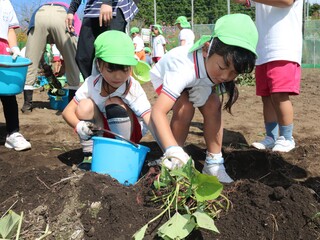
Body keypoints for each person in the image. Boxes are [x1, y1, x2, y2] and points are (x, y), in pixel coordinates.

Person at [149, 14, 258, 183]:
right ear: (207, 49)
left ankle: (214, 164)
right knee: (185, 106)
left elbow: (214, 77)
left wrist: (206, 87)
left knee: (213, 103)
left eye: (234, 73)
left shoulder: (216, 68)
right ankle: (172, 159)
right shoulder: (183, 69)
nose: (225, 76)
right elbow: (157, 112)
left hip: (197, 79)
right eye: (222, 67)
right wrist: (173, 149)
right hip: (165, 76)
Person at [62, 30, 153, 170]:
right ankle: (90, 154)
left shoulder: (133, 87)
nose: (118, 77)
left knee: (113, 103)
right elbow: (67, 112)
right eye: (111, 69)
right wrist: (79, 126)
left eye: (124, 69)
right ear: (98, 64)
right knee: (84, 106)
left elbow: (150, 119)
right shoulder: (91, 83)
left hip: (130, 133)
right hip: (104, 130)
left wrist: (169, 148)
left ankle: (123, 153)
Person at [235, 0, 303, 152]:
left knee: (279, 93)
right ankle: (271, 137)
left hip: (283, 48)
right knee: (266, 96)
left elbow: (285, 1)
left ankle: (287, 137)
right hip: (263, 50)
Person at [21, 2, 82, 113]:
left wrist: (45, 66)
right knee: (73, 62)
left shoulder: (43, 7)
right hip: (63, 15)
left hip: (40, 14)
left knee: (30, 61)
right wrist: (67, 65)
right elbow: (71, 54)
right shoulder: (74, 15)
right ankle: (71, 106)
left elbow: (37, 53)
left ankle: (27, 105)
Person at [66, 0, 139, 80]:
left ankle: (114, 90)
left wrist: (107, 2)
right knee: (83, 57)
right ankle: (94, 87)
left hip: (113, 8)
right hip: (92, 9)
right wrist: (71, 10)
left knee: (112, 57)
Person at [0, 0, 31, 151]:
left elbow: (10, 29)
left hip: (3, 50)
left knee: (8, 94)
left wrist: (14, 47)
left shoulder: (6, 3)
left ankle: (13, 133)